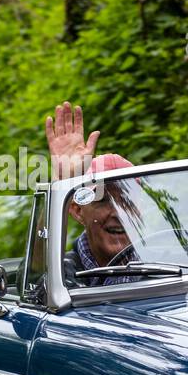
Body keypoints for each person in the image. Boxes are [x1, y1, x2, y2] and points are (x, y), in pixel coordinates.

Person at [45, 102, 140, 286]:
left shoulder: (169, 267)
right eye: (102, 200)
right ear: (77, 210)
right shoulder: (61, 276)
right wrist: (62, 183)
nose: (118, 213)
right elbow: (37, 272)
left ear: (139, 209)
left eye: (127, 200)